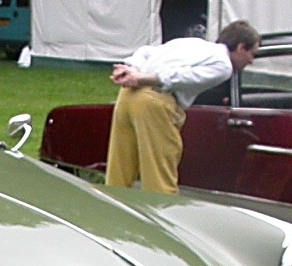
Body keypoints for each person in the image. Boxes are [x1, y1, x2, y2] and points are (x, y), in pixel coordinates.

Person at [105, 19, 260, 195]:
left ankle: (110, 210)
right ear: (241, 48)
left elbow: (147, 52)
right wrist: (139, 78)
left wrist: (131, 69)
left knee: (119, 167)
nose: (251, 61)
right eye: (252, 54)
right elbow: (180, 77)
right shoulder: (223, 66)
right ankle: (162, 215)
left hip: (127, 96)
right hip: (155, 100)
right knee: (159, 174)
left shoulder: (192, 43)